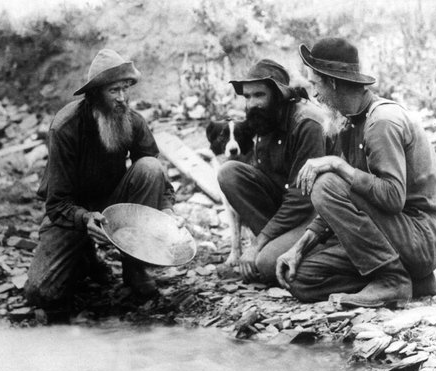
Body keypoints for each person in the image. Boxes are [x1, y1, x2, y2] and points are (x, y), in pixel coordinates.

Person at [276, 37, 436, 308]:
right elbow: (346, 199)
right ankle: (412, 281)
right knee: (302, 279)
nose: (314, 93)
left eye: (316, 83)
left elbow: (392, 198)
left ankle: (391, 281)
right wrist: (299, 248)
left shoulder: (381, 122)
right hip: (392, 237)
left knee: (326, 184)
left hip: (420, 237)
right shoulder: (348, 121)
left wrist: (338, 165)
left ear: (332, 82)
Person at [25, 49, 176, 309]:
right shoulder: (65, 127)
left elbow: (156, 171)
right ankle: (85, 258)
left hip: (113, 206)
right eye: (113, 91)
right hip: (71, 213)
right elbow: (56, 202)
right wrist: (85, 219)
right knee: (42, 293)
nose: (121, 98)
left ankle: (134, 267)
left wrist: (167, 209)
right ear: (94, 94)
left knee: (149, 168)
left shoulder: (132, 120)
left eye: (125, 89)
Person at [213, 59, 329, 284]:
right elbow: (264, 181)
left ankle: (311, 253)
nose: (251, 104)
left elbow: (301, 199)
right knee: (229, 173)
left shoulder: (307, 123)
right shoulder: (265, 121)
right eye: (247, 97)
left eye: (259, 95)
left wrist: (257, 245)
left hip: (315, 217)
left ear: (279, 96)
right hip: (286, 212)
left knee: (266, 265)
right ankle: (275, 248)